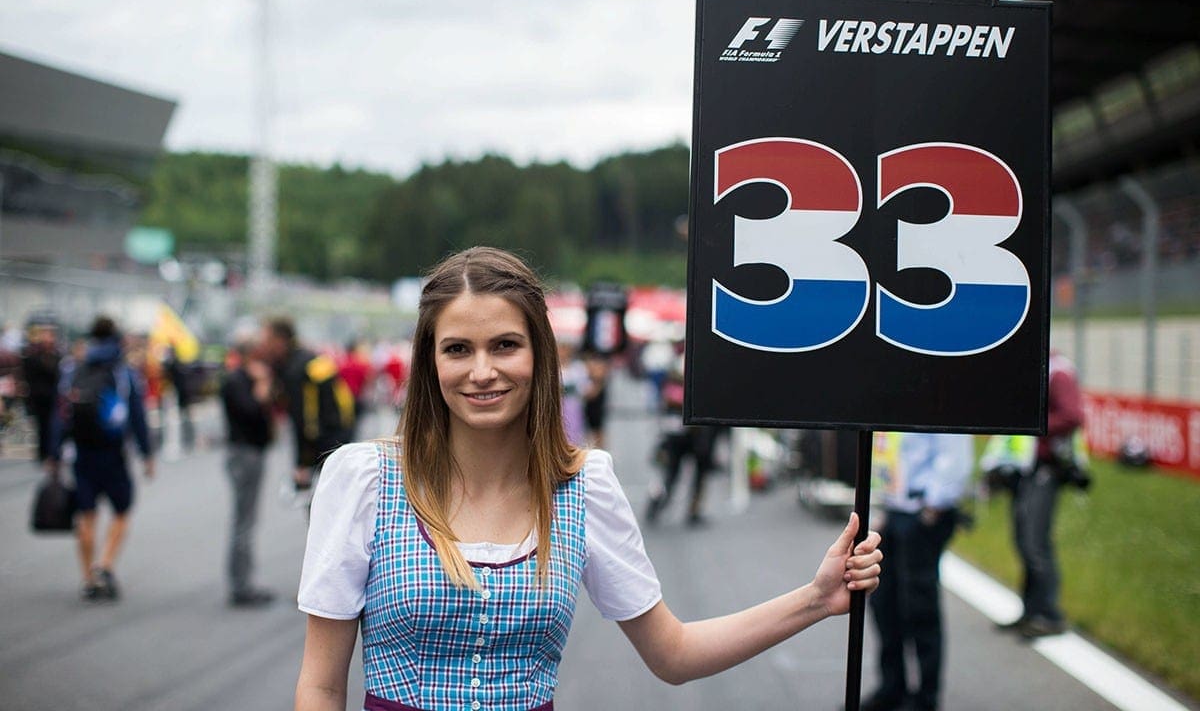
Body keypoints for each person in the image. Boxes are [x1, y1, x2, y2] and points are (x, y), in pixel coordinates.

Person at [294, 247, 883, 711]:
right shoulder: (366, 480)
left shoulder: (583, 488)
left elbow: (672, 653)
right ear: (431, 361)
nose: (482, 370)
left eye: (505, 345)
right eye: (458, 349)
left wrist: (815, 599)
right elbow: (321, 686)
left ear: (540, 354)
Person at [862, 431, 973, 711]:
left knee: (919, 607)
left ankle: (925, 698)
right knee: (883, 602)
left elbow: (956, 456)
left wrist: (933, 506)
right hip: (895, 509)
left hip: (922, 512)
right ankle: (892, 689)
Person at [50, 316, 155, 601]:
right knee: (121, 511)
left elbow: (60, 415)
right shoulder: (123, 372)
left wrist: (54, 453)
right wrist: (147, 454)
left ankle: (87, 577)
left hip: (82, 452)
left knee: (86, 513)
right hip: (113, 453)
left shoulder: (72, 369)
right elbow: (137, 417)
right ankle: (105, 564)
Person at [1001, 350, 1085, 638]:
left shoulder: (1057, 371)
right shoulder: (1032, 368)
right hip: (1025, 468)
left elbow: (1072, 415)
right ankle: (1031, 611)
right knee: (1024, 540)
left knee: (1035, 542)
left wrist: (1033, 422)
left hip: (1047, 468)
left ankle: (1049, 614)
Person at [259, 317, 356, 491]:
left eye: (266, 340)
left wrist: (303, 463)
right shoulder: (306, 358)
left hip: (325, 443)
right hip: (339, 436)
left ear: (280, 341)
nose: (263, 346)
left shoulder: (296, 370)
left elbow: (304, 420)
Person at [219, 340, 277, 607]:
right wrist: (262, 384)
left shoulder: (239, 379)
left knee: (246, 519)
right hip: (245, 453)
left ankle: (243, 581)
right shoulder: (237, 381)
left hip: (248, 452)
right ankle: (241, 585)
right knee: (244, 520)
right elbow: (251, 410)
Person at [645, 352, 721, 527]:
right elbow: (668, 403)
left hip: (695, 435)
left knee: (696, 473)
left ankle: (693, 509)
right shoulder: (674, 382)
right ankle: (658, 504)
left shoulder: (695, 376)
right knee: (670, 475)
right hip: (678, 435)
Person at [21, 319, 62, 465]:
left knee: (52, 425)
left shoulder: (57, 356)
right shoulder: (33, 356)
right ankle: (43, 453)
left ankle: (51, 452)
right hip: (38, 396)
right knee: (41, 425)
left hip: (53, 396)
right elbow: (28, 376)